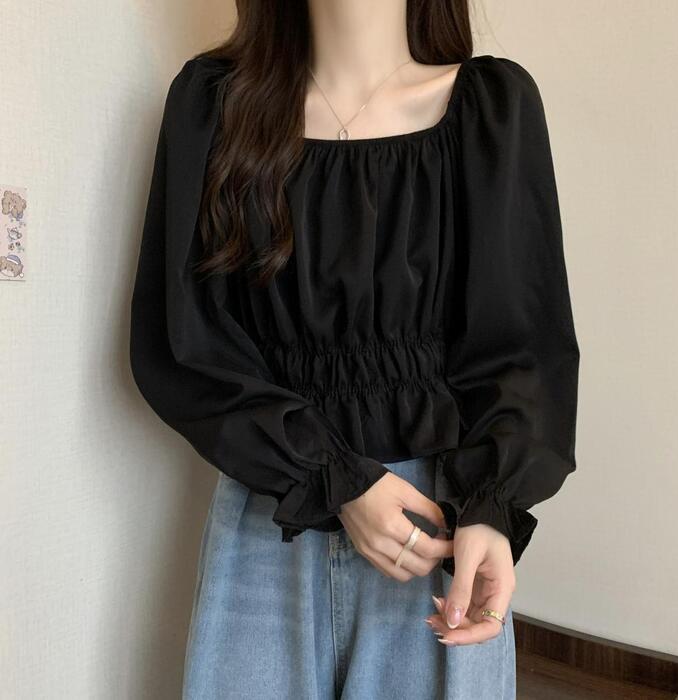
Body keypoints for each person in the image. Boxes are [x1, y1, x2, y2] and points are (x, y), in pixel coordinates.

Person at [128, 1, 580, 697]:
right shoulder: (213, 105)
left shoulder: (491, 109)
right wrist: (331, 476)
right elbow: (185, 339)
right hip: (270, 508)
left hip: (439, 519)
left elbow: (523, 342)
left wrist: (493, 507)